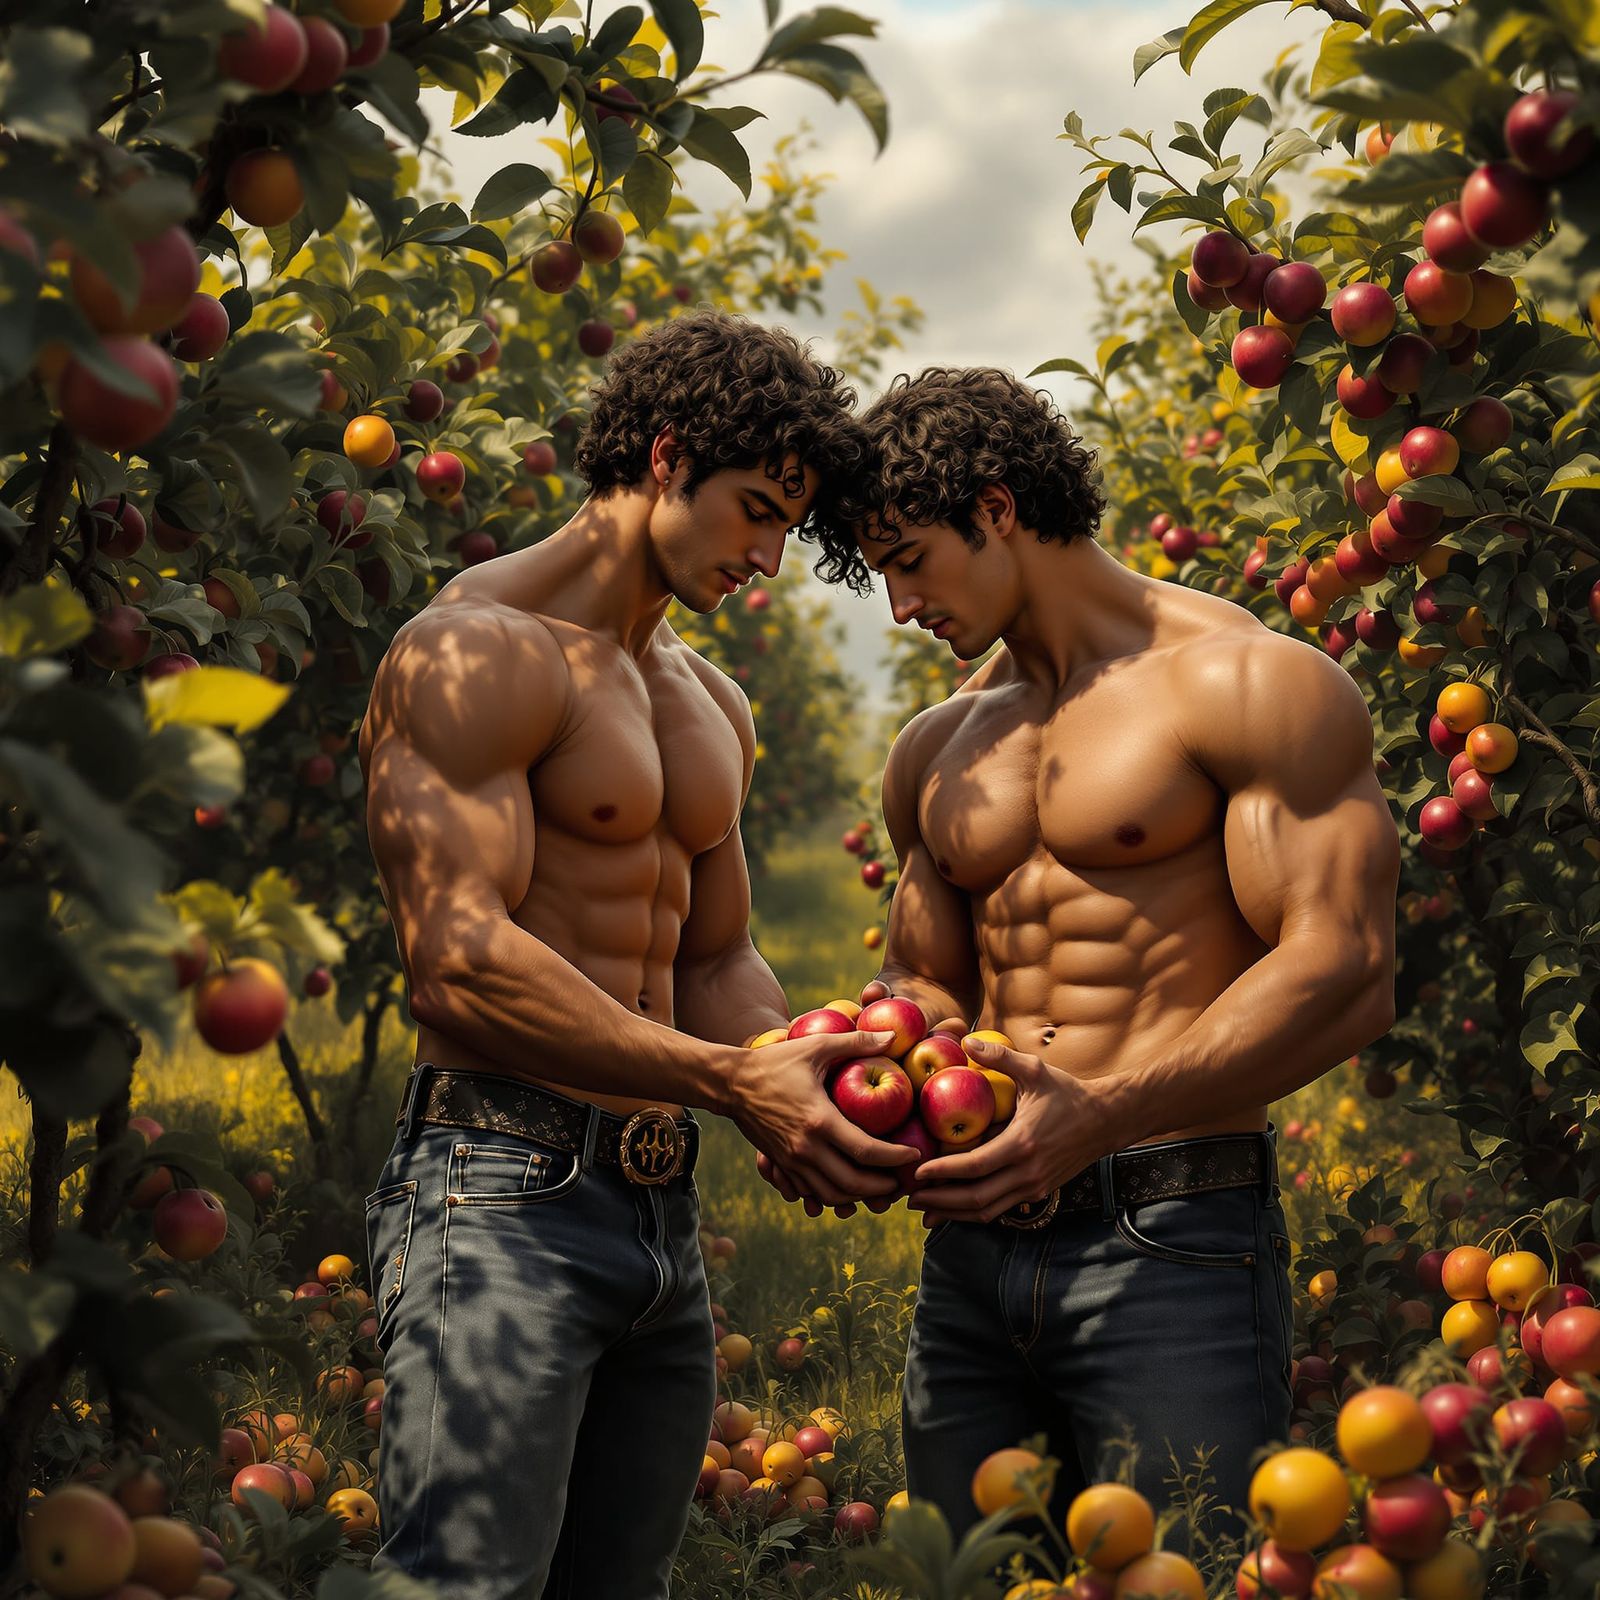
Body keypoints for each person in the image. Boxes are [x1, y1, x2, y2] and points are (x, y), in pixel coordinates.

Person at [765, 366, 1400, 1550]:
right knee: (963, 1577)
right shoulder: (937, 746)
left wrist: (1099, 1115)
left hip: (1170, 1230)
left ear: (997, 508)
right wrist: (849, 1086)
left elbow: (1346, 963)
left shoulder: (1243, 680)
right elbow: (927, 986)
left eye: (910, 558)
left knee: (1175, 1569)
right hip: (971, 1245)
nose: (899, 606)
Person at [356, 309, 917, 1600]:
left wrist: (804, 1074)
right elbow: (458, 960)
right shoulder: (472, 649)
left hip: (660, 1213)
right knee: (465, 1586)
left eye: (790, 525)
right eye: (756, 510)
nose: (770, 556)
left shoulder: (710, 701)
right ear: (665, 456)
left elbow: (720, 962)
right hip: (497, 1185)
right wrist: (726, 1084)